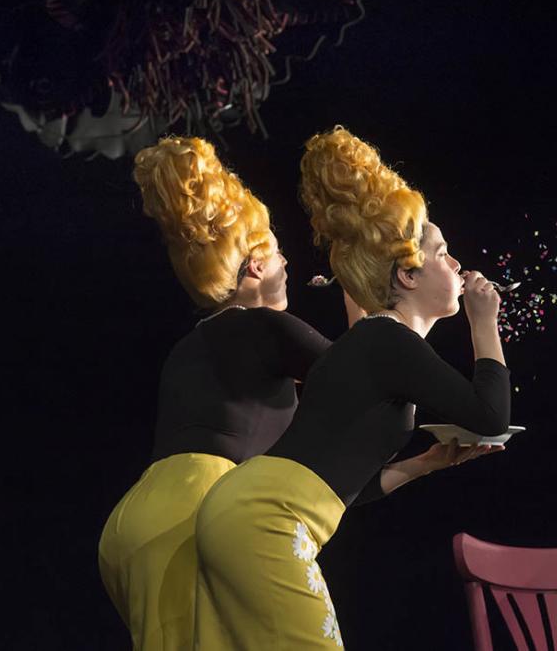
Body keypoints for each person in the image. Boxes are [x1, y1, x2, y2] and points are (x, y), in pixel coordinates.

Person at [193, 126, 511, 649]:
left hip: (245, 509)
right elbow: (491, 418)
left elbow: (340, 486)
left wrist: (424, 464)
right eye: (443, 253)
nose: (457, 265)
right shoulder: (388, 340)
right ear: (408, 276)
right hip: (265, 518)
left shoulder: (373, 343)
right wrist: (484, 322)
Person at [97, 136, 340, 650]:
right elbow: (364, 375)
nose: (288, 264)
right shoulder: (267, 326)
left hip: (137, 521)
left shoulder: (191, 346)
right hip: (202, 515)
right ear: (256, 266)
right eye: (278, 253)